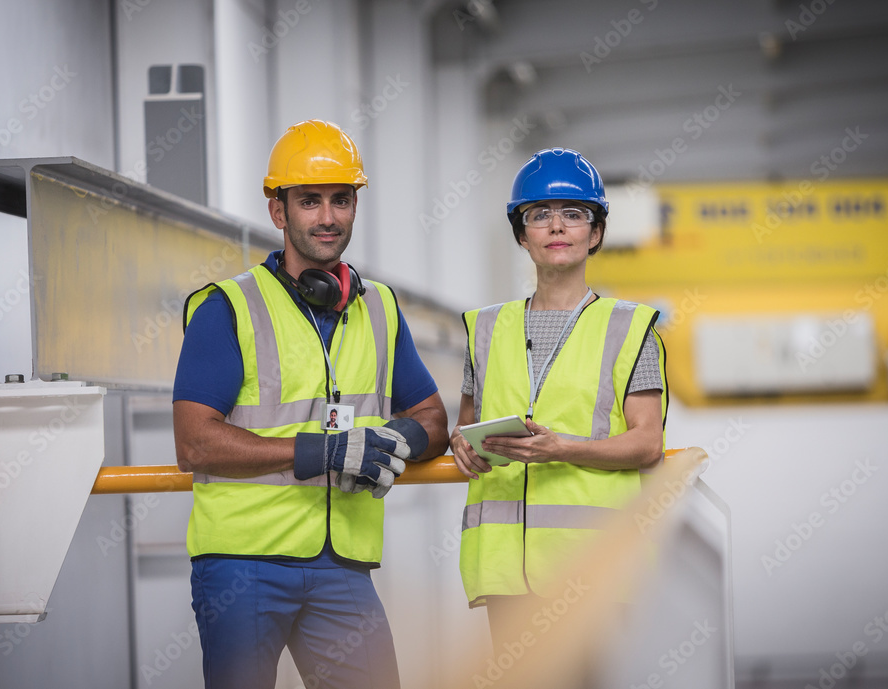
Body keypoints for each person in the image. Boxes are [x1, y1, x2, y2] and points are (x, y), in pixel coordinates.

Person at [173, 119, 449, 689]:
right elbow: (194, 440)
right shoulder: (227, 308)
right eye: (310, 201)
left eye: (341, 200)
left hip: (341, 566)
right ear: (279, 212)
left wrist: (398, 440)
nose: (328, 217)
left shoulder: (378, 308)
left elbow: (433, 418)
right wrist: (323, 451)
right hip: (243, 564)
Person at [449, 148, 668, 649]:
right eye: (539, 215)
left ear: (595, 234)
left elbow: (647, 444)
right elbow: (465, 427)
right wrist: (460, 444)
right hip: (504, 571)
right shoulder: (484, 328)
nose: (557, 226)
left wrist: (561, 448)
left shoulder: (629, 328)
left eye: (574, 214)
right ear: (521, 234)